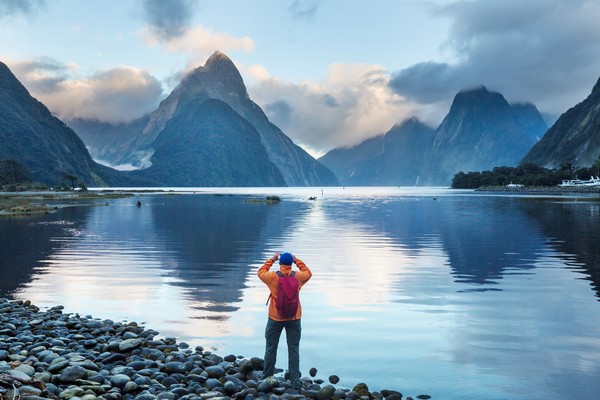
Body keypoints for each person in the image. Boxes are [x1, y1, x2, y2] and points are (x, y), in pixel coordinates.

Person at [257, 251, 312, 387]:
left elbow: (260, 272)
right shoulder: (298, 276)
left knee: (271, 346)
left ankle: (266, 376)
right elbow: (308, 272)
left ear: (280, 263)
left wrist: (272, 259)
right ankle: (295, 381)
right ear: (291, 264)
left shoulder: (272, 277)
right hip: (294, 317)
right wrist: (297, 260)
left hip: (275, 318)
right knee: (293, 348)